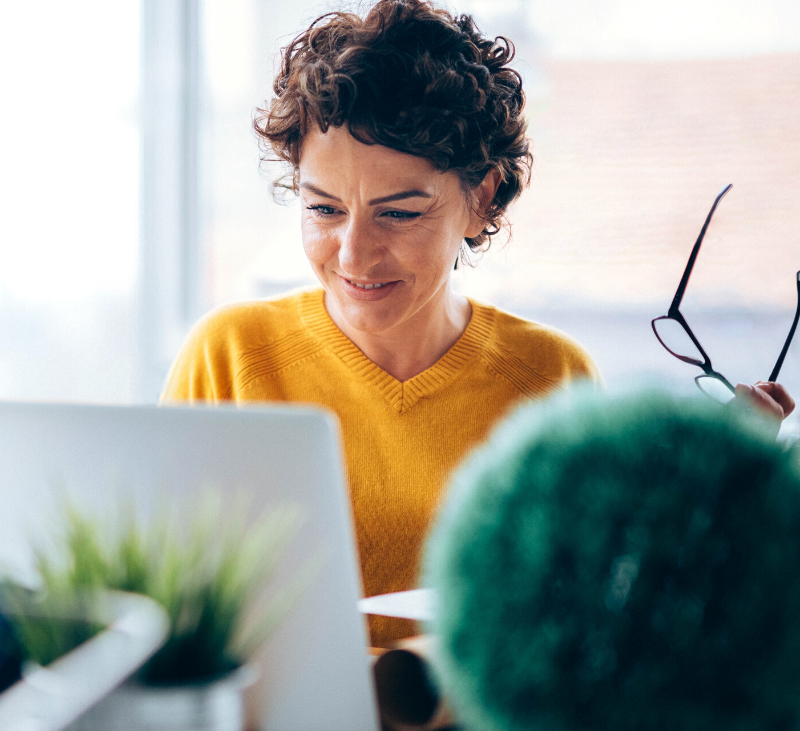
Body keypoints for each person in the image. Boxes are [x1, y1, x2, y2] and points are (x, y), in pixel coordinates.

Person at [161, 0, 794, 646]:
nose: (353, 255)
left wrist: (716, 478)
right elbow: (161, 602)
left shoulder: (550, 377)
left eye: (399, 214)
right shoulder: (229, 356)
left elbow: (601, 614)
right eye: (324, 209)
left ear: (482, 197)